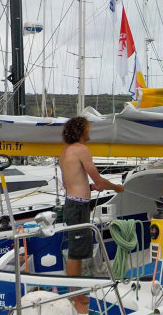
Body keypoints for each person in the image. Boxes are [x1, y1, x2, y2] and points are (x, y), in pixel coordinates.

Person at [59, 116, 124, 313]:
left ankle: (76, 293)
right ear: (80, 131)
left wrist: (87, 187)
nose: (90, 131)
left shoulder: (65, 152)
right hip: (78, 207)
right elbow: (100, 180)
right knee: (75, 253)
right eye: (87, 128)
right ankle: (76, 297)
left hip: (73, 203)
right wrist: (117, 187)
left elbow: (68, 182)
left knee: (77, 251)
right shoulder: (81, 149)